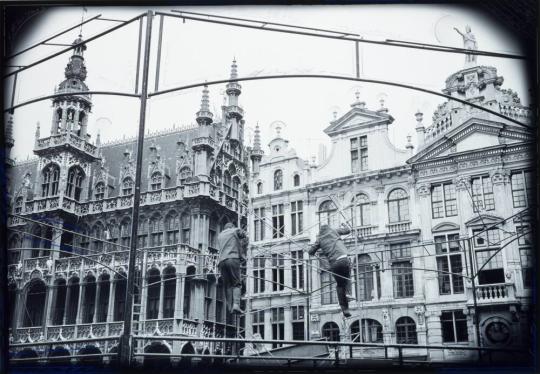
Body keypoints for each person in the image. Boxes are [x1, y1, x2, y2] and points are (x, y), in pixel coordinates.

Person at [308, 224, 353, 317]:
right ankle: (348, 293)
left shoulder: (320, 238)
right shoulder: (334, 231)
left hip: (335, 263)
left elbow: (311, 251)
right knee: (347, 276)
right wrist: (344, 225)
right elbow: (348, 230)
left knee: (340, 285)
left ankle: (345, 309)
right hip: (345, 258)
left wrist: (311, 251)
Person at [217, 222, 248, 314]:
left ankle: (229, 307)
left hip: (222, 261)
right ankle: (236, 305)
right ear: (232, 227)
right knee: (236, 283)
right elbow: (243, 234)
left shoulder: (220, 235)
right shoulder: (234, 230)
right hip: (232, 259)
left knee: (228, 286)